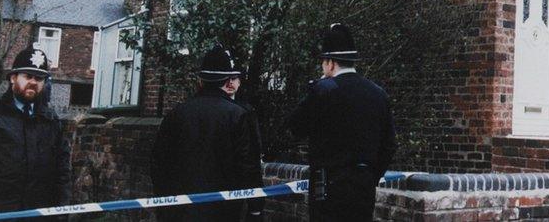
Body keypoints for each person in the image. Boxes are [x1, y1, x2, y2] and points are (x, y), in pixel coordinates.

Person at [288, 23, 396, 222]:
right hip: (363, 186)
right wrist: (371, 175)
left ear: (330, 62)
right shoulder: (378, 94)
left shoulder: (324, 90)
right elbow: (389, 145)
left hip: (328, 185)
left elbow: (295, 126)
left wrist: (315, 88)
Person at [151, 45, 264, 221]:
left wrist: (165, 204)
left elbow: (159, 163)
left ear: (200, 81)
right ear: (227, 81)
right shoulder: (238, 115)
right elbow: (248, 166)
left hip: (179, 211)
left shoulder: (176, 114)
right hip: (223, 211)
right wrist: (256, 208)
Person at [0, 46, 71, 217]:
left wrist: (62, 211)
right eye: (28, 76)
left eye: (39, 78)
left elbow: (62, 171)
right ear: (13, 78)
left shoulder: (50, 121)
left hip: (38, 213)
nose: (34, 82)